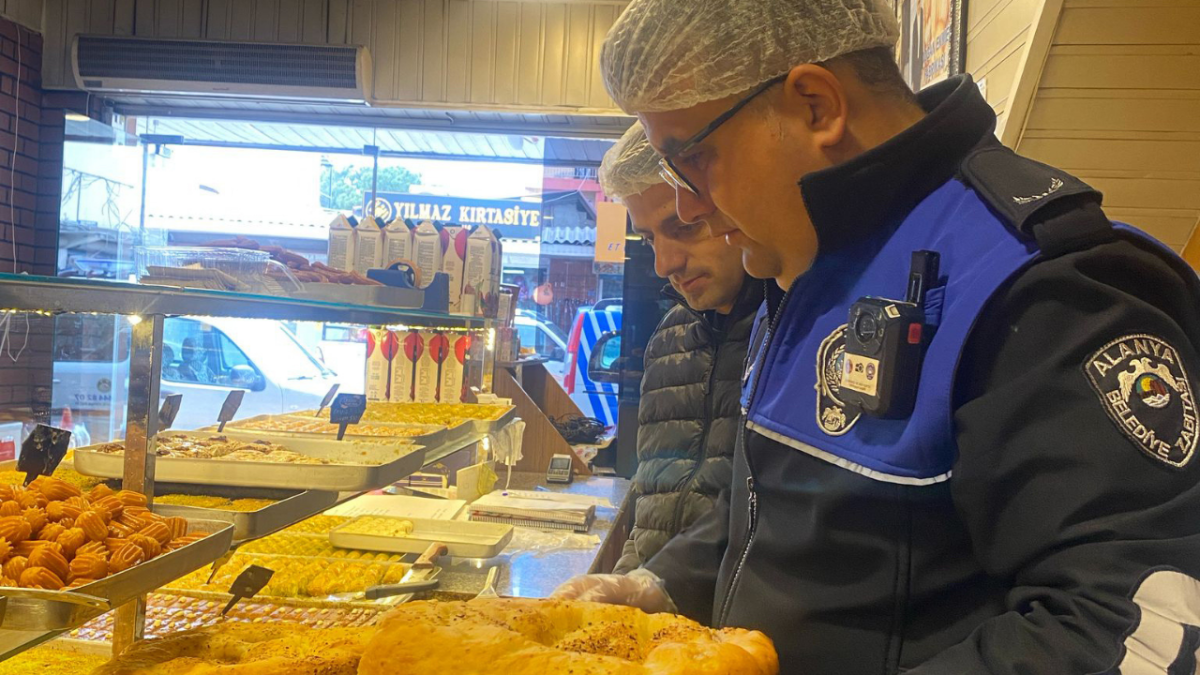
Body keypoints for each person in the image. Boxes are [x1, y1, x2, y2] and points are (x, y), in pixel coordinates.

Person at [554, 1, 1200, 673]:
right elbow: (781, 510)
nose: (688, 204)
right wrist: (660, 583)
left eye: (692, 159)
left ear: (816, 107)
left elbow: (1132, 621)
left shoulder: (1046, 286)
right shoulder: (807, 264)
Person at [598, 123, 763, 574]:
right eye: (650, 238)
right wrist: (622, 589)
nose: (664, 263)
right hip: (650, 606)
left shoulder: (793, 330)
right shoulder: (667, 339)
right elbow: (648, 513)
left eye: (685, 227)